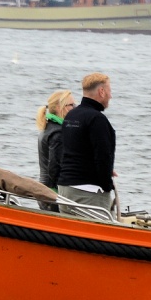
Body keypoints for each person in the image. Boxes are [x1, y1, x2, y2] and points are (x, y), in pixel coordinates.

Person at [56, 72, 116, 210]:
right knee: (102, 230)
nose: (110, 96)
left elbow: (73, 150)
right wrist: (107, 185)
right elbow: (103, 156)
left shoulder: (71, 115)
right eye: (109, 91)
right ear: (101, 91)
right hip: (88, 192)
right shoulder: (97, 119)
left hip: (65, 188)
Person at [35, 89, 75, 190]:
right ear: (59, 108)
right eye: (71, 105)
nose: (75, 108)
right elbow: (55, 168)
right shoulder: (58, 133)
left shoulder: (49, 126)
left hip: (44, 188)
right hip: (53, 192)